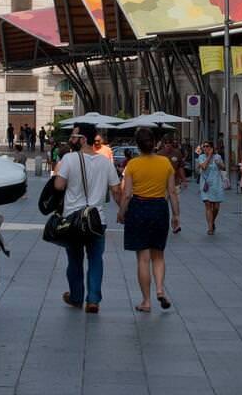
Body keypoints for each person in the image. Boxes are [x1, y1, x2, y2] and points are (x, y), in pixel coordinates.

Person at [53, 130, 121, 313]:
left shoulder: (69, 159)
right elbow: (115, 190)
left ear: (83, 139)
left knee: (74, 259)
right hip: (97, 218)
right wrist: (123, 210)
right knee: (96, 259)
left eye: (74, 136)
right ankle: (93, 300)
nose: (71, 139)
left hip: (73, 218)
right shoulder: (105, 162)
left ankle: (76, 297)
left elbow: (58, 185)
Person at [118, 128, 180, 313]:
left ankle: (146, 301)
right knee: (158, 255)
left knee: (143, 259)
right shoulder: (165, 163)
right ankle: (160, 289)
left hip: (139, 208)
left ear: (137, 144)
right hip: (160, 208)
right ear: (154, 143)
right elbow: (172, 192)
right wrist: (176, 215)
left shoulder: (133, 165)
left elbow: (127, 194)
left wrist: (122, 212)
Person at [196, 141, 226, 234]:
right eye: (203, 147)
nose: (205, 148)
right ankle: (210, 228)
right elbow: (204, 167)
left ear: (211, 147)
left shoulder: (218, 157)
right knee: (208, 205)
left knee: (216, 207)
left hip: (216, 183)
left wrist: (219, 164)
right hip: (206, 184)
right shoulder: (201, 157)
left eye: (207, 146)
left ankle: (212, 221)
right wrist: (209, 156)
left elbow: (223, 167)